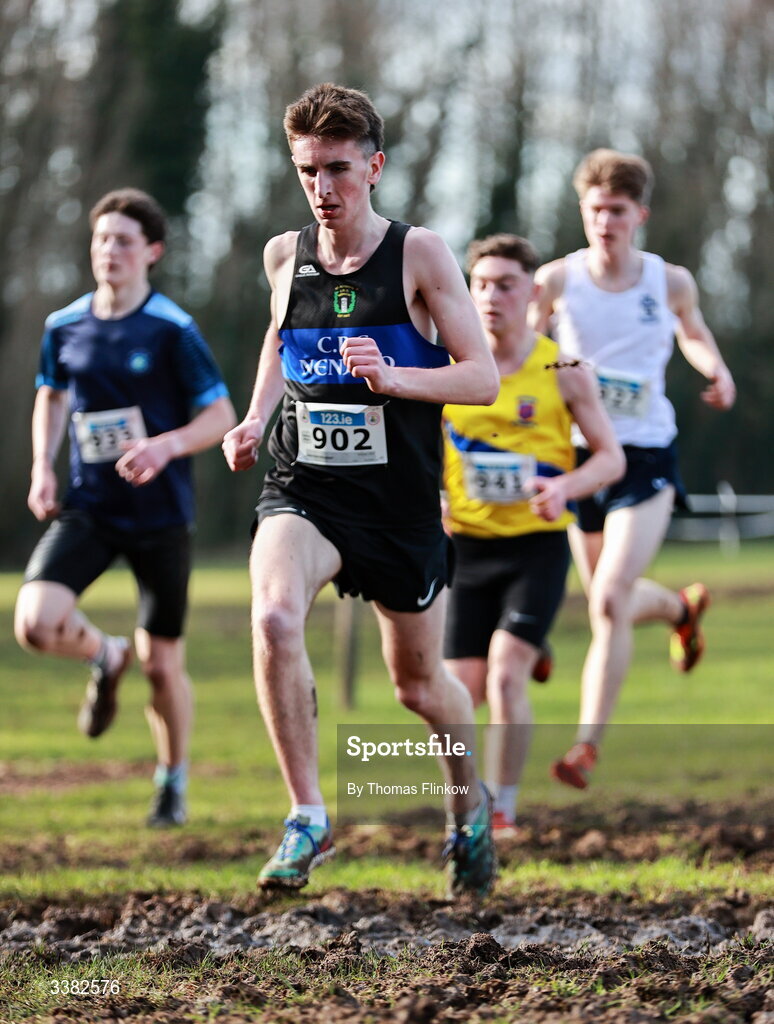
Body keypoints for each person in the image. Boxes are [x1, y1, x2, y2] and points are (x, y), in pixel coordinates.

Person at [222, 82, 500, 897]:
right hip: (304, 486)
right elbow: (281, 342)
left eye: (338, 169)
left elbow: (480, 377)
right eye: (308, 171)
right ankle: (307, 815)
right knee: (273, 616)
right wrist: (252, 418)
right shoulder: (285, 254)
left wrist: (397, 377)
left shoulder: (419, 254)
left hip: (400, 507)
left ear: (374, 166)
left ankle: (468, 808)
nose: (323, 188)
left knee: (418, 686)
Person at [14, 188, 236, 826]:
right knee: (34, 621)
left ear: (152, 252)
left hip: (161, 514)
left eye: (123, 241)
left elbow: (219, 415)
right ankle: (103, 655)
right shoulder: (64, 326)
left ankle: (172, 781)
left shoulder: (173, 329)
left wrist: (166, 447)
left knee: (164, 667)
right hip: (90, 505)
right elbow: (51, 396)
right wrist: (40, 467)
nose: (109, 251)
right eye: (101, 240)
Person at [532, 149, 736, 789]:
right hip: (580, 456)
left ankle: (586, 747)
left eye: (616, 211)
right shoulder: (556, 281)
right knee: (603, 603)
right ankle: (679, 609)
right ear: (583, 211)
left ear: (638, 214)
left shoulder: (668, 281)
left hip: (645, 452)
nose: (604, 222)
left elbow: (692, 331)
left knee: (612, 598)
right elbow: (523, 347)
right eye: (594, 210)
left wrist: (716, 369)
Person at [442, 234, 623, 833]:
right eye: (482, 284)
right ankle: (465, 804)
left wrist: (564, 490)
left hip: (536, 547)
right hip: (464, 548)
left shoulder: (565, 368)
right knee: (458, 695)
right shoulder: (446, 367)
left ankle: (502, 809)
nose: (492, 297)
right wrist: (432, 498)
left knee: (505, 672)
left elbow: (610, 458)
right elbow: (415, 452)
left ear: (532, 292)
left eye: (506, 284)